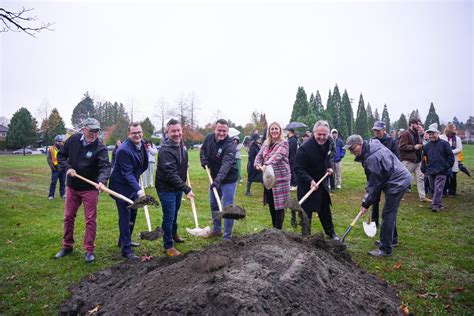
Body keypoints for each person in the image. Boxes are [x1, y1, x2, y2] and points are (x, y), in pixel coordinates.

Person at [344, 134, 412, 257]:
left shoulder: (372, 158)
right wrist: (369, 200)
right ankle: (392, 240)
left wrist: (366, 203)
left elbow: (374, 185)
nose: (351, 152)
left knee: (388, 214)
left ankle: (385, 248)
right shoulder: (371, 145)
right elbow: (376, 181)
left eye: (352, 149)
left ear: (360, 144)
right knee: (390, 212)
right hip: (395, 177)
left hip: (397, 182)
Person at [54, 118, 111, 263]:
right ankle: (67, 246)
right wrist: (68, 168)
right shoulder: (72, 140)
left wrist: (102, 181)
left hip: (90, 189)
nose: (94, 134)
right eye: (91, 130)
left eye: (97, 131)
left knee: (90, 220)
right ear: (84, 129)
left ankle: (89, 250)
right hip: (73, 186)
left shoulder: (100, 147)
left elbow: (105, 166)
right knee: (68, 217)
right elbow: (60, 156)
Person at [109, 122, 149, 260]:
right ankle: (126, 250)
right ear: (128, 134)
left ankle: (124, 240)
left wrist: (137, 179)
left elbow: (144, 164)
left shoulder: (142, 144)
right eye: (134, 133)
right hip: (120, 188)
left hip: (132, 185)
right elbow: (127, 173)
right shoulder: (123, 150)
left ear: (142, 133)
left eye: (139, 132)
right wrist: (139, 190)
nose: (137, 135)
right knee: (125, 216)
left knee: (133, 213)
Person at [155, 119, 194, 257]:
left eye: (178, 130)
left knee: (175, 213)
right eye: (173, 131)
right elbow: (170, 174)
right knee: (169, 216)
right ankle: (168, 245)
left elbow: (179, 165)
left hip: (177, 187)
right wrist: (186, 189)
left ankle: (173, 233)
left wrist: (184, 164)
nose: (177, 134)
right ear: (167, 132)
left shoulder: (181, 145)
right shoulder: (165, 150)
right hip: (166, 188)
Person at [295, 120, 337, 240]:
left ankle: (331, 233)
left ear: (328, 133)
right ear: (314, 133)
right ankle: (306, 236)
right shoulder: (304, 149)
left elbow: (328, 156)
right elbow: (298, 169)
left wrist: (329, 166)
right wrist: (310, 180)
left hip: (321, 184)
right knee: (306, 213)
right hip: (307, 185)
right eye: (319, 134)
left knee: (325, 210)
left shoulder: (329, 141)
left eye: (325, 134)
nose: (322, 137)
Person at [200, 119, 238, 240]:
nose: (221, 133)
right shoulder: (209, 138)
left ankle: (227, 237)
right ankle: (217, 230)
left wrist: (218, 180)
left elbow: (226, 165)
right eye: (219, 130)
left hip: (228, 180)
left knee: (227, 207)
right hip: (214, 177)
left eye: (224, 131)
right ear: (214, 129)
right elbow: (203, 150)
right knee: (214, 204)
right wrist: (203, 159)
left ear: (228, 131)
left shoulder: (230, 145)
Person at [255, 122, 291, 229]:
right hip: (269, 179)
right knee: (271, 203)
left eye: (276, 129)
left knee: (279, 207)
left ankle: (278, 230)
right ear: (269, 131)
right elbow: (258, 156)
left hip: (281, 179)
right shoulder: (266, 143)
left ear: (280, 131)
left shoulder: (284, 143)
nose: (274, 131)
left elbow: (277, 156)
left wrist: (265, 164)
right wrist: (257, 165)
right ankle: (274, 228)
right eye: (272, 129)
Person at [370, 121, 400, 232]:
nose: (377, 132)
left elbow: (397, 158)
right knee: (374, 199)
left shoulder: (392, 141)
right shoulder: (372, 141)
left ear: (384, 130)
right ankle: (374, 220)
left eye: (379, 130)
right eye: (375, 130)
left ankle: (390, 231)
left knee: (389, 207)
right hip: (376, 175)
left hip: (388, 177)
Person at [422, 124, 455, 212]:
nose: (431, 136)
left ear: (437, 133)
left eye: (433, 134)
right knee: (433, 188)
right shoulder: (426, 146)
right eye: (430, 134)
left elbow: (450, 157)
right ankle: (438, 203)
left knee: (438, 188)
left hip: (442, 171)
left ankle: (435, 205)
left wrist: (446, 166)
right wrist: (424, 168)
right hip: (431, 170)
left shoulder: (445, 144)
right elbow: (424, 158)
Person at [398, 118, 430, 202]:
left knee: (421, 178)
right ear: (412, 124)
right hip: (408, 160)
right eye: (417, 124)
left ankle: (422, 197)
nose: (419, 126)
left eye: (419, 124)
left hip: (418, 159)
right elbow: (401, 146)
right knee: (403, 178)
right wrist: (414, 147)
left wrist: (421, 145)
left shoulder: (417, 134)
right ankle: (397, 195)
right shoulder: (405, 134)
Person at [440, 123, 462, 197]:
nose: (455, 129)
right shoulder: (441, 137)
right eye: (454, 127)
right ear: (449, 128)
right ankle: (444, 192)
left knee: (453, 177)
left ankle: (452, 192)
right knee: (444, 176)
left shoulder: (457, 138)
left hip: (453, 160)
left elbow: (459, 149)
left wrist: (450, 152)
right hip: (443, 160)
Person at [47, 135, 66, 200]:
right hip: (55, 168)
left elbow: (67, 158)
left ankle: (62, 194)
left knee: (63, 182)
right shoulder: (51, 149)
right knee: (53, 182)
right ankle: (51, 195)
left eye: (61, 141)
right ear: (55, 141)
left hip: (63, 168)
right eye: (58, 141)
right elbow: (49, 159)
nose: (60, 143)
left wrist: (65, 166)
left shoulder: (65, 148)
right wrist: (52, 167)